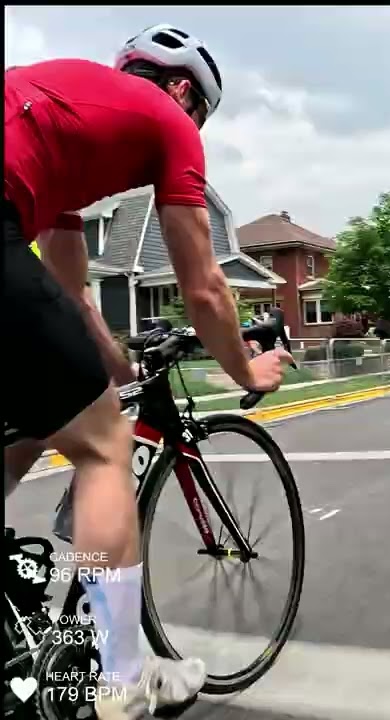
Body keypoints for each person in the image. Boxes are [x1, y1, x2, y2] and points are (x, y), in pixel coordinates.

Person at [3, 25, 294, 719]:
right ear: (182, 89)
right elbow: (205, 288)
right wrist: (245, 370)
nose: (197, 130)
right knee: (104, 443)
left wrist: (116, 362)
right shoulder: (167, 120)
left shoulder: (71, 114)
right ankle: (123, 677)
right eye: (202, 117)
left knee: (51, 410)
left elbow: (70, 290)